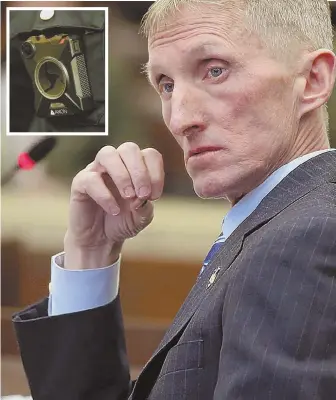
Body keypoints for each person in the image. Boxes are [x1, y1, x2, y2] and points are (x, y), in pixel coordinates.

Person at [12, 0, 336, 399]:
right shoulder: (275, 225)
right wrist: (90, 254)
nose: (181, 119)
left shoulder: (305, 236)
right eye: (166, 84)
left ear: (315, 80)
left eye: (215, 71)